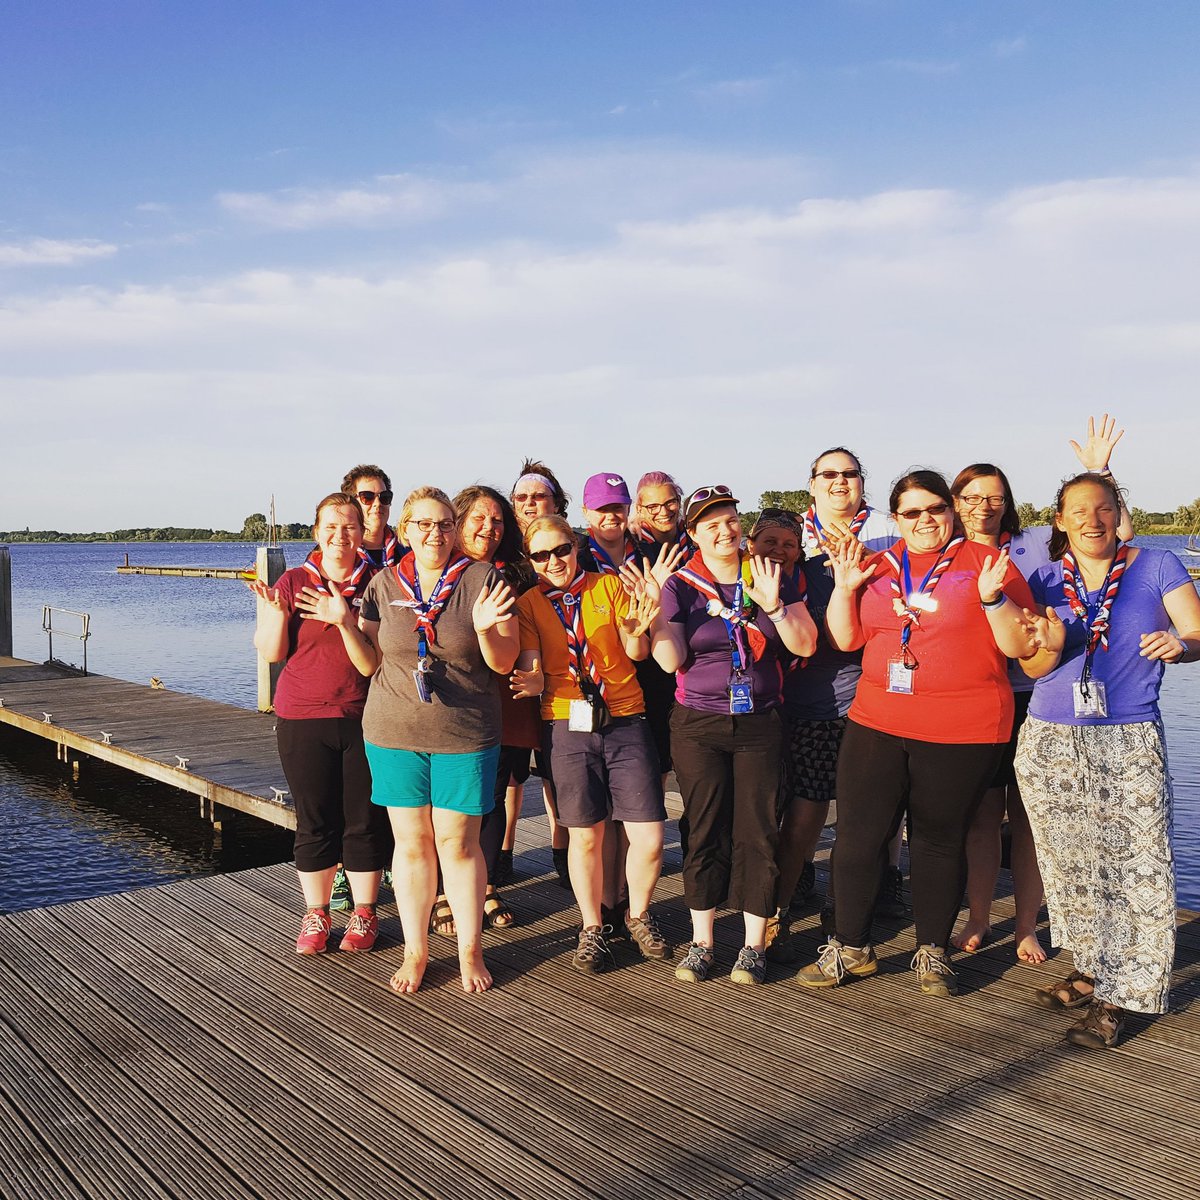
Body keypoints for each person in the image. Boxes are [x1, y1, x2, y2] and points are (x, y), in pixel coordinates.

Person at [796, 469, 1035, 998]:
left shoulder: (987, 563)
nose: (925, 520)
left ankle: (932, 949)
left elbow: (1024, 646)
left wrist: (995, 599)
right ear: (896, 518)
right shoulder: (878, 566)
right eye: (912, 512)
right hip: (876, 722)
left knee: (937, 840)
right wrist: (844, 586)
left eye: (935, 510)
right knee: (857, 838)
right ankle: (850, 947)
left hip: (963, 728)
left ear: (951, 511)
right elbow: (845, 635)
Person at [1013, 471, 1200, 1047]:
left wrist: (1184, 645)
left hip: (1128, 735)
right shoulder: (1042, 576)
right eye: (1078, 510)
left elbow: (1196, 630)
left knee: (1139, 866)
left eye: (1103, 508)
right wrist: (1041, 642)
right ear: (1060, 520)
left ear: (1119, 513)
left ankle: (1127, 996)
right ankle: (1094, 965)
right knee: (1069, 864)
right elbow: (1030, 666)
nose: (1092, 520)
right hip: (1049, 736)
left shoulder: (1156, 567)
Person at [950, 413, 1130, 963]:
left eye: (996, 496)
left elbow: (1114, 537)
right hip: (976, 698)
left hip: (1038, 697)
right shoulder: (944, 552)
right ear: (956, 502)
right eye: (973, 496)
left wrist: (1098, 472)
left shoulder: (1032, 544)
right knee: (982, 816)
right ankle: (979, 918)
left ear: (1008, 502)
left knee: (1031, 816)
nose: (985, 505)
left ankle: (1026, 924)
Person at [651, 485, 818, 985]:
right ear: (694, 534)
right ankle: (702, 940)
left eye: (729, 520)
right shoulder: (679, 585)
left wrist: (776, 605)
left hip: (760, 720)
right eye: (710, 524)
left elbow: (805, 643)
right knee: (703, 827)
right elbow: (669, 661)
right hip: (698, 722)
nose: (724, 531)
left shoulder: (767, 574)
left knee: (758, 828)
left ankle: (752, 944)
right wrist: (653, 611)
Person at [358, 486, 520, 993]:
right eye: (423, 524)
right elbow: (369, 656)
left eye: (445, 524)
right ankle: (416, 950)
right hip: (393, 730)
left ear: (455, 529)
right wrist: (340, 624)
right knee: (410, 845)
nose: (435, 533)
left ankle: (470, 950)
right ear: (404, 530)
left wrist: (488, 629)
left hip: (465, 733)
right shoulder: (384, 583)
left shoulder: (481, 579)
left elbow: (503, 662)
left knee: (458, 844)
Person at [512, 514, 669, 973]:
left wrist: (637, 633)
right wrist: (533, 677)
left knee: (650, 834)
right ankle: (592, 925)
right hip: (565, 722)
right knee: (584, 835)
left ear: (575, 546)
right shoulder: (529, 604)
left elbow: (636, 652)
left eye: (561, 549)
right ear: (530, 560)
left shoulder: (609, 586)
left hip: (625, 716)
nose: (554, 561)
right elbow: (531, 660)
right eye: (540, 555)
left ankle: (638, 914)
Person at [250, 493, 392, 955]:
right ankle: (317, 913)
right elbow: (272, 653)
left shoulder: (377, 583)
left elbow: (371, 665)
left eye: (349, 526)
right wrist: (274, 614)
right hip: (302, 715)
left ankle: (365, 912)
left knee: (364, 819)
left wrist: (344, 618)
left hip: (363, 716)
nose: (340, 535)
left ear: (361, 531)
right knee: (314, 820)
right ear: (316, 531)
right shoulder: (294, 581)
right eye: (331, 526)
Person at [797, 447, 905, 921]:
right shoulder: (791, 535)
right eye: (829, 474)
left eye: (850, 474)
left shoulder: (891, 527)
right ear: (813, 483)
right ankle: (799, 873)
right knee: (810, 796)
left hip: (881, 679)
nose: (840, 482)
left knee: (882, 798)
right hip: (811, 685)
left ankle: (885, 879)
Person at [451, 483, 538, 929]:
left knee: (494, 792)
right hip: (450, 704)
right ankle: (443, 891)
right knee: (448, 801)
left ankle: (484, 887)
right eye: (479, 518)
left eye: (498, 520)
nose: (490, 527)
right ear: (459, 521)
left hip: (503, 701)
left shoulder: (518, 574)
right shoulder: (438, 571)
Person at [509, 459, 573, 887]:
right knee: (512, 773)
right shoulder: (502, 553)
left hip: (564, 683)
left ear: (558, 503)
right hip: (512, 682)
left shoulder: (571, 549)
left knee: (556, 772)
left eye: (540, 496)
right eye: (523, 498)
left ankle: (562, 851)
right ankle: (501, 859)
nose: (531, 504)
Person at [341, 463, 401, 568]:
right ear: (351, 503)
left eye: (384, 497)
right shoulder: (335, 552)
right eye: (367, 497)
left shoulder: (408, 552)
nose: (378, 503)